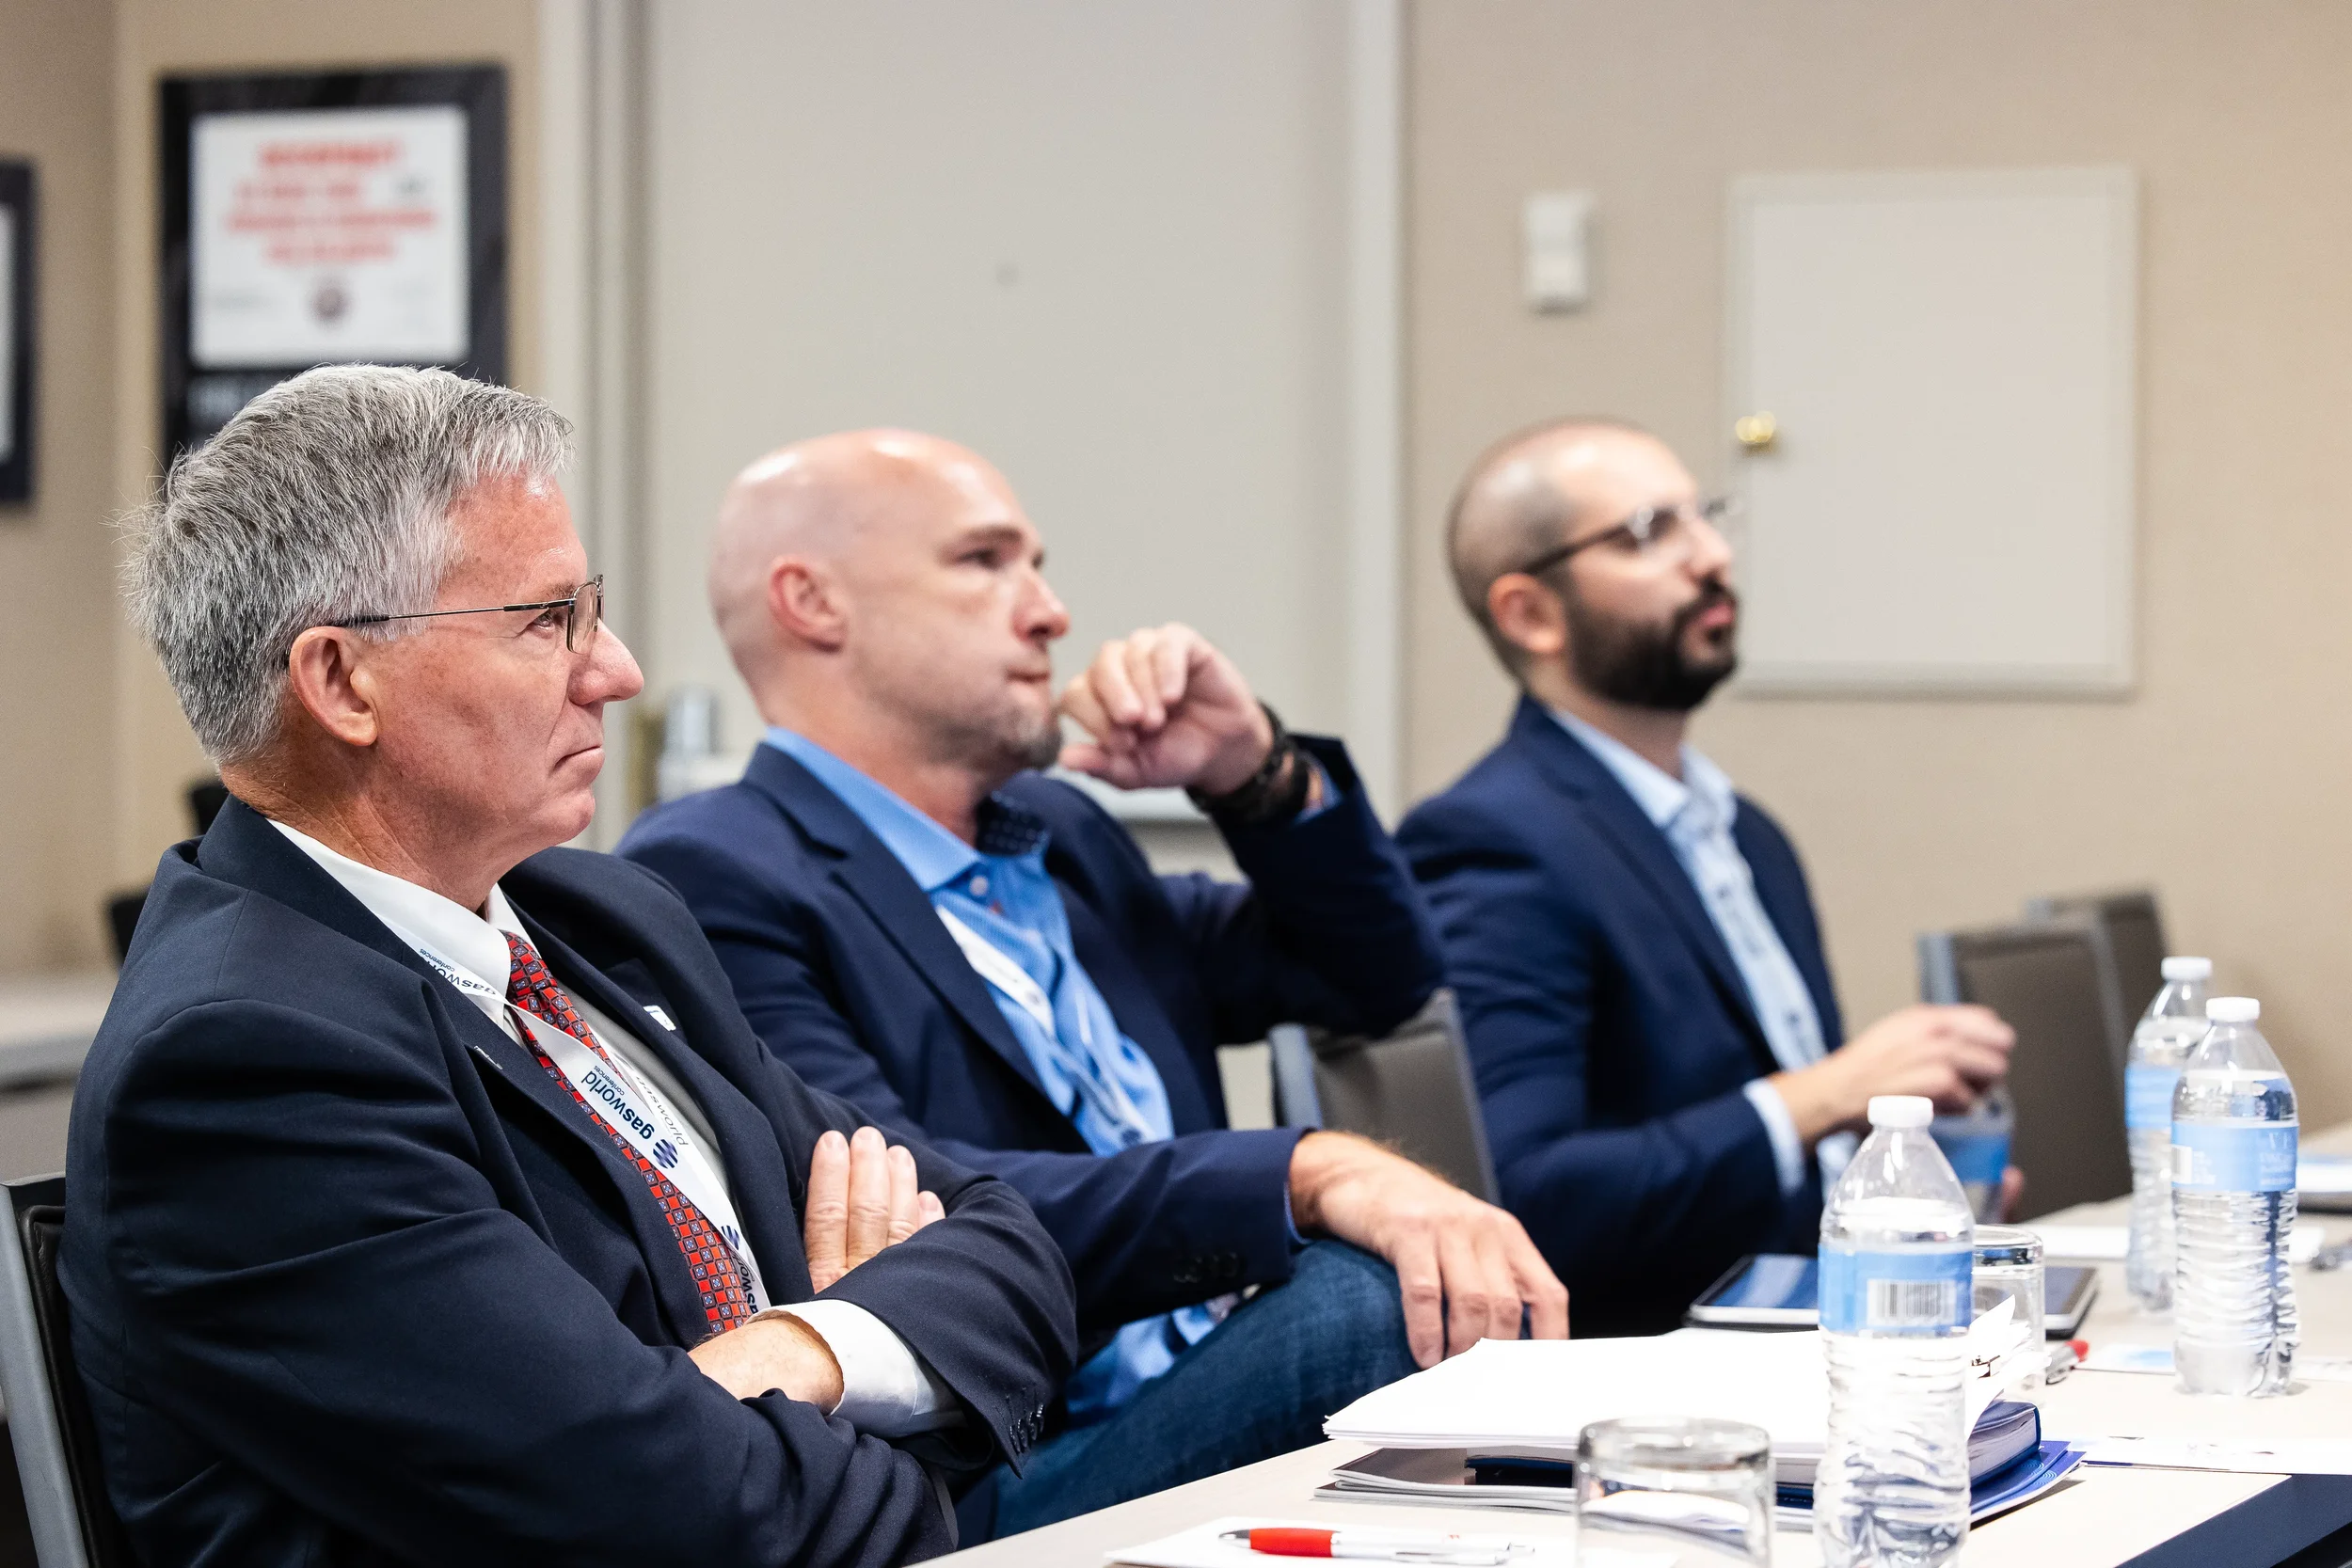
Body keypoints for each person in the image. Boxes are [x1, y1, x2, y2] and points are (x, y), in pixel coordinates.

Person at [66, 368, 1075, 1568]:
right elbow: (684, 1519)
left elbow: (1005, 1239)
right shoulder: (244, 1061)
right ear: (341, 681)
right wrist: (913, 1387)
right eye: (548, 621)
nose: (619, 669)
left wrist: (812, 1348)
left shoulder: (600, 916)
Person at [619, 430, 1567, 1538]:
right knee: (1368, 1300)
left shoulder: (1061, 835)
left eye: (1037, 564)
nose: (1049, 611)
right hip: (1016, 1455)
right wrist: (1306, 1167)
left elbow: (1377, 977)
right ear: (812, 603)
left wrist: (1249, 769)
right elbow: (921, 1196)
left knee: (1425, 1302)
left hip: (1205, 1368)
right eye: (986, 561)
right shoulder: (710, 871)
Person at [1397, 418, 2016, 1334]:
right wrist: (1830, 1092)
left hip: (1826, 1330)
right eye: (1650, 533)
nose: (1711, 556)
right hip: (1658, 1386)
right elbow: (1525, 1200)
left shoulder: (1747, 834)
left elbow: (1783, 1163)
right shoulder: (1491, 839)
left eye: (1706, 518)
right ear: (1530, 612)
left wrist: (1908, 1200)